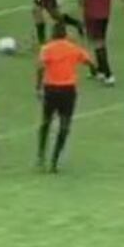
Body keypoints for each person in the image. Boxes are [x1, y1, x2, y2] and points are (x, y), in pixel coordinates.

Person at [35, 22, 93, 173]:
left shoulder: (47, 48)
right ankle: (54, 161)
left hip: (51, 89)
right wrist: (93, 69)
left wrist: (38, 87)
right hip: (68, 90)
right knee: (64, 125)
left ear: (53, 34)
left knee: (45, 122)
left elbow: (40, 67)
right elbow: (88, 60)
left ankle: (41, 155)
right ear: (65, 34)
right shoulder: (73, 48)